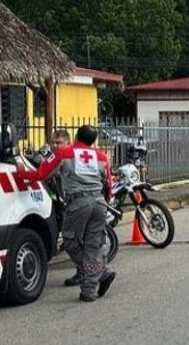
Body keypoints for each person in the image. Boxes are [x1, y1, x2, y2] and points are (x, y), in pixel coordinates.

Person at [18, 125, 116, 302]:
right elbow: (108, 184)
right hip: (99, 202)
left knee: (70, 241)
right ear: (93, 140)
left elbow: (41, 174)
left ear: (76, 137)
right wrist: (105, 202)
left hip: (78, 203)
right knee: (92, 246)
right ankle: (89, 290)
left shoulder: (64, 153)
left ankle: (99, 272)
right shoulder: (102, 157)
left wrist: (21, 173)